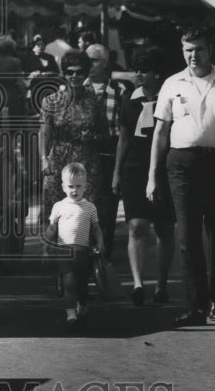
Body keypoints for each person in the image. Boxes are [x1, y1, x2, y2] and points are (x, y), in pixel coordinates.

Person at [147, 26, 215, 326]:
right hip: (182, 164)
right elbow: (160, 132)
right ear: (182, 51)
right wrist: (153, 175)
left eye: (199, 49)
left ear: (210, 50)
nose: (194, 55)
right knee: (187, 235)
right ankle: (196, 305)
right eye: (188, 50)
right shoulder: (171, 84)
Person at [112, 46, 175, 305]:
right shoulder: (129, 99)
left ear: (157, 74)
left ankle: (161, 283)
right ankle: (138, 284)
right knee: (137, 226)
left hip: (164, 167)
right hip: (135, 168)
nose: (139, 74)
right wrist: (117, 172)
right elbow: (124, 138)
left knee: (163, 227)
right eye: (137, 69)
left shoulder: (170, 98)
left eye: (145, 70)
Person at [39, 50, 102, 222]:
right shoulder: (51, 101)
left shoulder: (94, 101)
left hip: (86, 160)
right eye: (70, 72)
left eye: (79, 72)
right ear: (63, 73)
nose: (75, 76)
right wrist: (44, 158)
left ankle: (82, 248)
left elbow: (104, 133)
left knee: (83, 215)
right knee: (53, 214)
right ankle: (51, 248)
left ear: (86, 73)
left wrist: (93, 137)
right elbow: (45, 132)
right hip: (58, 158)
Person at [44, 161, 104, 330]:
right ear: (63, 187)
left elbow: (96, 228)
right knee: (69, 283)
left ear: (85, 187)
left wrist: (101, 243)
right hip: (64, 252)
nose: (74, 190)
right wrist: (47, 245)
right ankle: (71, 313)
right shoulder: (59, 207)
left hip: (83, 252)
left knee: (82, 285)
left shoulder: (90, 208)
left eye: (79, 186)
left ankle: (82, 306)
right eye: (70, 186)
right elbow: (52, 228)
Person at [83, 43, 126, 261]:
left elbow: (124, 131)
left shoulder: (119, 91)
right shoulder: (77, 88)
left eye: (95, 60)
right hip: (84, 153)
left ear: (106, 62)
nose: (90, 65)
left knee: (108, 210)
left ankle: (104, 256)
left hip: (109, 153)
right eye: (87, 60)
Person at [0, 34, 28, 118]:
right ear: (11, 46)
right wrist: (25, 100)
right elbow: (19, 83)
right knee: (12, 125)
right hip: (12, 96)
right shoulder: (16, 61)